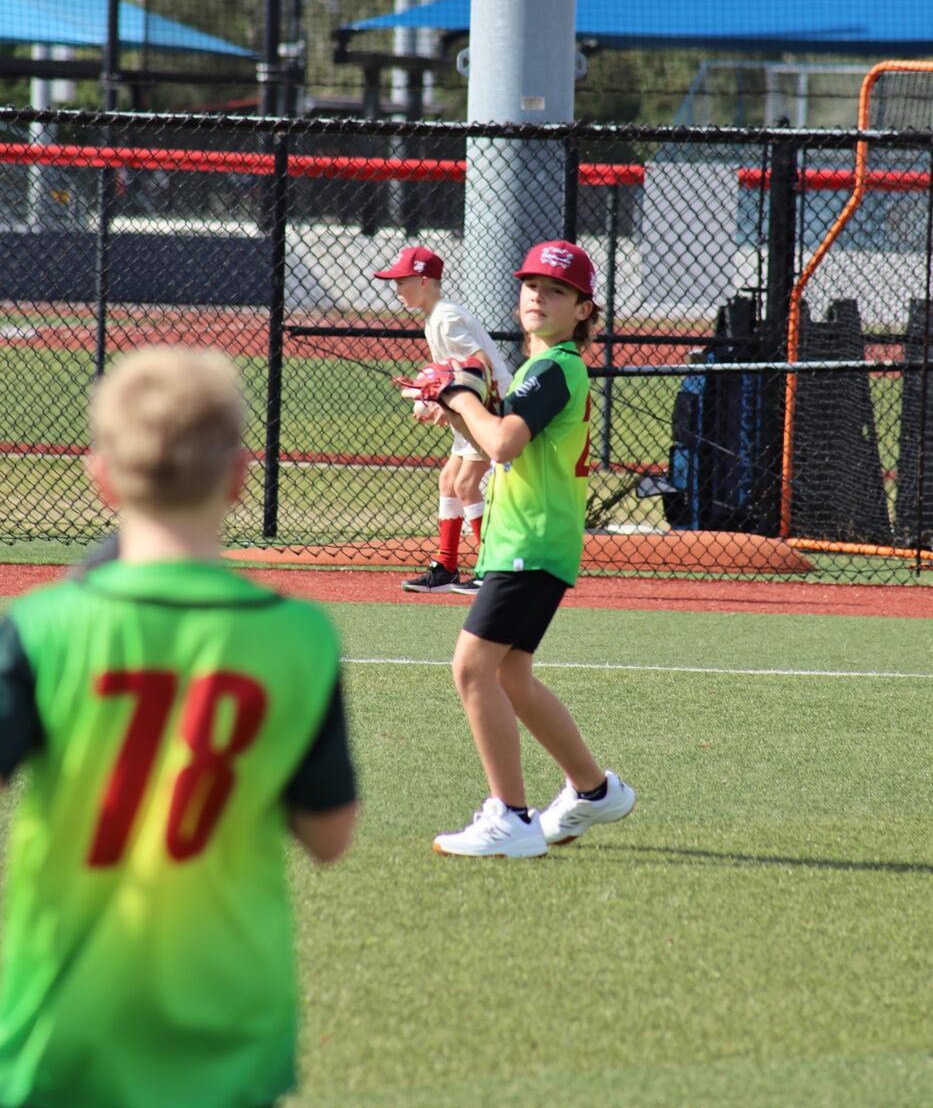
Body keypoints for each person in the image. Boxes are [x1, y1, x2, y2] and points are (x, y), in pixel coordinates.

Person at [0, 346, 358, 1108]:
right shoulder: (299, 636)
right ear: (238, 477)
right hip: (229, 1020)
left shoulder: (42, 626)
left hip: (63, 1019)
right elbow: (330, 836)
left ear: (102, 477)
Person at [425, 240, 635, 858]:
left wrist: (459, 394)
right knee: (510, 675)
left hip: (530, 543)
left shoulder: (554, 367)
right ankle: (594, 791)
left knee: (472, 668)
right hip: (530, 542)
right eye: (532, 285)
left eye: (557, 290)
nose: (539, 295)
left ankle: (512, 818)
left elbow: (503, 444)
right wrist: (457, 412)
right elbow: (502, 443)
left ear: (582, 310)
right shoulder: (539, 370)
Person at [374, 244, 510, 595]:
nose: (396, 289)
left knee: (466, 484)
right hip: (472, 406)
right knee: (449, 480)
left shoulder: (446, 318)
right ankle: (447, 567)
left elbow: (480, 366)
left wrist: (450, 405)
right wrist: (438, 399)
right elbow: (455, 374)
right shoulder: (436, 317)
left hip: (488, 408)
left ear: (422, 281)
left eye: (400, 281)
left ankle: (493, 568)